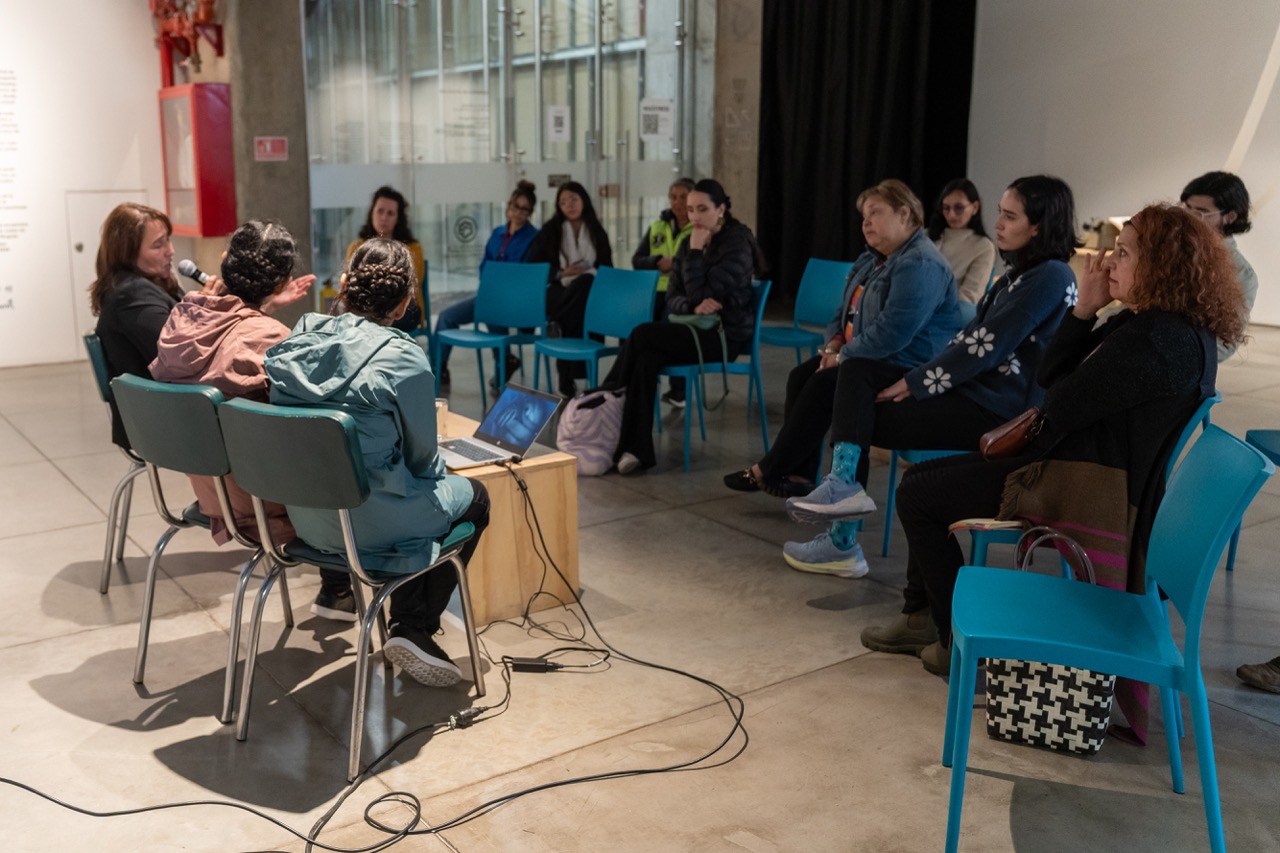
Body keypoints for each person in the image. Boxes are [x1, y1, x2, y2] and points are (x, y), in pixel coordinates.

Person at [888, 204, 1243, 748]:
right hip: (1095, 469)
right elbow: (1053, 379)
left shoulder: (1155, 340)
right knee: (932, 479)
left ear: (1163, 265)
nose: (1106, 261)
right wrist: (1086, 314)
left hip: (1087, 484)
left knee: (918, 491)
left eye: (1123, 253)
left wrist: (1085, 317)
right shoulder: (1160, 325)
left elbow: (1059, 399)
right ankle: (927, 619)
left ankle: (942, 634)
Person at [782, 175, 1079, 580]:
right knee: (854, 375)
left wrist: (917, 381)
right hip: (971, 394)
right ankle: (841, 501)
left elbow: (984, 345)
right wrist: (919, 379)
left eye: (1010, 216)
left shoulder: (1053, 275)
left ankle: (841, 534)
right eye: (1000, 213)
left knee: (859, 414)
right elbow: (971, 339)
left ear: (1040, 226)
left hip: (999, 412)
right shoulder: (1018, 275)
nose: (999, 224)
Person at [264, 238, 491, 686]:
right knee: (473, 498)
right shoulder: (403, 357)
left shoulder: (298, 338)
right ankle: (413, 626)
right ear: (407, 301)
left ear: (344, 286)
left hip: (307, 522)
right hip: (372, 525)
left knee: (405, 495)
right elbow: (423, 461)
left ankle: (389, 616)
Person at [147, 221, 358, 620]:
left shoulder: (182, 323)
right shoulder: (271, 340)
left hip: (213, 495)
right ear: (282, 279)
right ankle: (342, 590)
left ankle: (338, 591)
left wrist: (264, 306)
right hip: (261, 504)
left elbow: (232, 339)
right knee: (341, 456)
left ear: (227, 267)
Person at [723, 179, 963, 500]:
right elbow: (843, 310)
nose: (865, 222)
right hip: (868, 358)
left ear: (904, 214)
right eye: (863, 215)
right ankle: (799, 475)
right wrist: (833, 343)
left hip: (906, 366)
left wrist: (844, 356)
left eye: (875, 213)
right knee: (801, 376)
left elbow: (894, 332)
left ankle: (770, 468)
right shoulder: (871, 257)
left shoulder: (920, 263)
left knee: (823, 385)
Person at [603, 179, 764, 474]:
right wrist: (691, 305)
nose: (694, 217)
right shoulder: (693, 239)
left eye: (702, 209)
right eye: (691, 210)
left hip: (723, 337)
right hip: (693, 328)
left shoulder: (736, 244)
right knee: (646, 361)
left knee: (641, 333)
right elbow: (676, 298)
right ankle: (634, 451)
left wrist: (692, 256)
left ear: (721, 209)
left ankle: (603, 400)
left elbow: (701, 294)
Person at [89, 202, 186, 448]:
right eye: (158, 244)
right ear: (128, 253)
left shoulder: (148, 286)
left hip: (166, 410)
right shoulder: (132, 295)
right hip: (159, 422)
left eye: (168, 240)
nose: (170, 251)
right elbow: (181, 356)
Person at [434, 180, 540, 391]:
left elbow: (524, 274)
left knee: (492, 312)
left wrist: (498, 281)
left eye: (525, 209)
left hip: (513, 301)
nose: (519, 212)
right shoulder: (498, 233)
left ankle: (505, 361)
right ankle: (438, 368)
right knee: (446, 317)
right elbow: (485, 264)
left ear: (530, 213)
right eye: (516, 206)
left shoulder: (534, 238)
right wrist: (490, 283)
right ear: (509, 205)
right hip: (490, 296)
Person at [527, 181, 614, 397]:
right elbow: (534, 264)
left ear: (584, 200)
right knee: (577, 302)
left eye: (574, 199)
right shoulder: (551, 229)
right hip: (558, 289)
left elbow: (607, 267)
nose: (569, 205)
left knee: (584, 285)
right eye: (563, 202)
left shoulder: (596, 230)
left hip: (589, 291)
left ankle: (555, 325)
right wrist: (561, 273)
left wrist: (587, 274)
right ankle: (568, 373)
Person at [1179, 171, 1256, 361]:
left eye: (1202, 212)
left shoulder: (1241, 274)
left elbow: (1224, 343)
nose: (1190, 217)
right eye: (1187, 208)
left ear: (1230, 217)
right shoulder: (1168, 249)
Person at [634, 177, 697, 407]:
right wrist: (658, 260)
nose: (677, 202)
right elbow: (637, 260)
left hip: (681, 293)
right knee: (638, 325)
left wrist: (675, 264)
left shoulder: (699, 229)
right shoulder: (658, 226)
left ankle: (678, 390)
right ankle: (641, 382)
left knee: (669, 324)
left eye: (683, 197)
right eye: (673, 197)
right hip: (655, 290)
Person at [345, 186, 427, 332]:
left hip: (402, 307)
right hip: (366, 304)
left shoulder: (413, 248)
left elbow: (412, 283)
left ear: (398, 218)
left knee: (382, 320)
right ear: (372, 213)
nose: (384, 217)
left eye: (390, 213)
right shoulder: (357, 247)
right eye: (380, 211)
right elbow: (352, 283)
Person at [927, 178, 997, 303]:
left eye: (959, 208)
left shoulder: (983, 246)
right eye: (946, 208)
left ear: (975, 207)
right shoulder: (926, 236)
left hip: (947, 314)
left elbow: (970, 297)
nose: (951, 215)